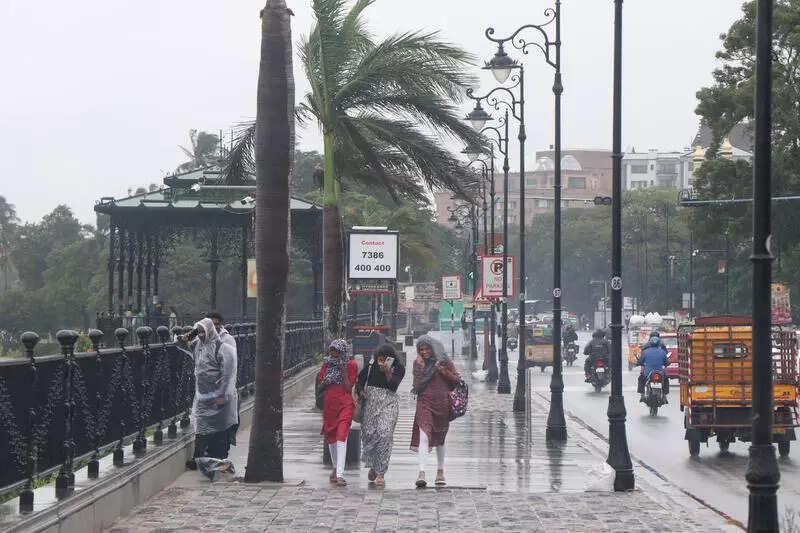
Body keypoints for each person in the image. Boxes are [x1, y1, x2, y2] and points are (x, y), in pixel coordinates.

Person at [179, 318, 239, 469]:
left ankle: (219, 462)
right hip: (202, 397)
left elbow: (228, 376)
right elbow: (179, 344)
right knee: (201, 428)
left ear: (210, 331)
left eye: (202, 332)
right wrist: (190, 334)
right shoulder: (198, 346)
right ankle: (198, 459)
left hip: (219, 398)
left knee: (219, 431)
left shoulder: (224, 348)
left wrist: (222, 397)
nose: (200, 335)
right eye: (198, 332)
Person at [411, 335, 461, 488]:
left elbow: (456, 380)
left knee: (440, 439)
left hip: (441, 403)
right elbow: (417, 386)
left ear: (433, 349)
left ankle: (440, 470)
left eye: (427, 349)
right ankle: (421, 472)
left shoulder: (444, 362)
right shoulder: (418, 363)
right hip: (424, 402)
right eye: (421, 350)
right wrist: (419, 368)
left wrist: (443, 370)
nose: (424, 352)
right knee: (424, 435)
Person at [356, 343, 405, 487]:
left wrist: (388, 372)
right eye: (379, 358)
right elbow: (360, 380)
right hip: (371, 403)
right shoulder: (371, 365)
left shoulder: (399, 368)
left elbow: (393, 386)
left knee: (385, 434)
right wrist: (361, 391)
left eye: (384, 359)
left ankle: (381, 472)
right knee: (370, 435)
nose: (381, 362)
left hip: (388, 402)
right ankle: (373, 466)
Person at [317, 339, 358, 487]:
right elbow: (320, 387)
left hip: (345, 403)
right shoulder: (326, 364)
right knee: (331, 437)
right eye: (332, 351)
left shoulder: (351, 365)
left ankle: (340, 474)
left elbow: (348, 388)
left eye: (336, 351)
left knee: (342, 436)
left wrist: (342, 370)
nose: (333, 354)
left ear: (343, 352)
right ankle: (335, 468)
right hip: (330, 404)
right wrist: (326, 382)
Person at [637, 335, 670, 401]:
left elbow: (640, 361)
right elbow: (667, 362)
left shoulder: (645, 352)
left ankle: (642, 395)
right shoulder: (662, 352)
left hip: (647, 373)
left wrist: (638, 363)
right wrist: (667, 364)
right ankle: (664, 395)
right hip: (660, 372)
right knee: (666, 380)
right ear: (658, 343)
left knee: (641, 378)